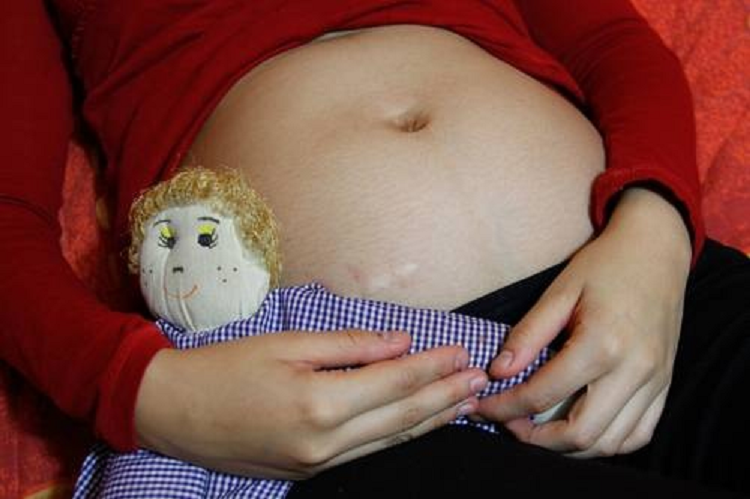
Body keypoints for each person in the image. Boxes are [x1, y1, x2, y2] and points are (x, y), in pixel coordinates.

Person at [1, 0, 748, 497]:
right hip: (340, 400)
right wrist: (148, 391)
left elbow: (612, 43)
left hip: (634, 293)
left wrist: (656, 227)